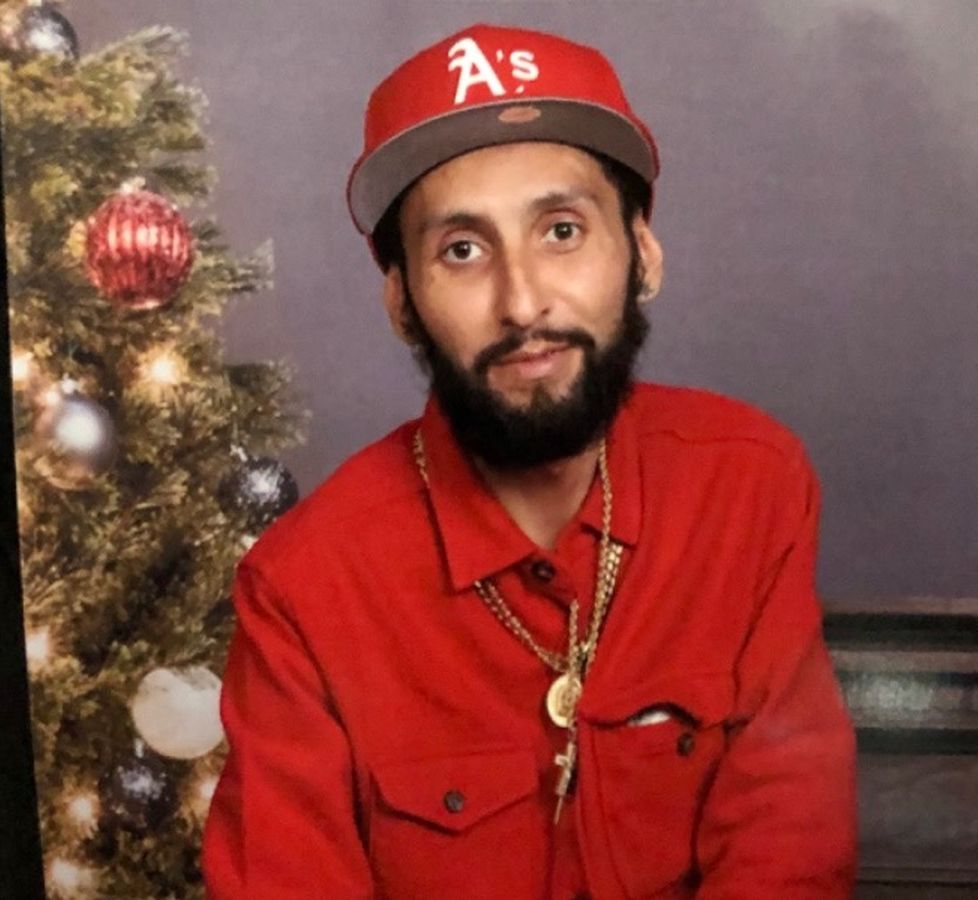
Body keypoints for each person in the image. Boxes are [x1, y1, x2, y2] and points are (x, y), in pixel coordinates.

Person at [201, 22, 857, 899]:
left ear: (643, 254)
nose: (522, 302)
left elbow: (787, 851)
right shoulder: (304, 588)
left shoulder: (749, 485)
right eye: (462, 250)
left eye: (562, 230)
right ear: (402, 302)